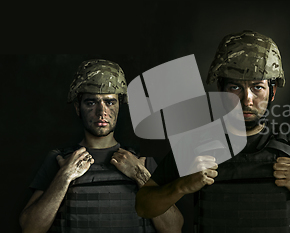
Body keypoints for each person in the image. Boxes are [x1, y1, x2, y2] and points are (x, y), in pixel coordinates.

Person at [135, 30, 290, 232]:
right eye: (235, 87)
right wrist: (181, 186)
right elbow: (143, 206)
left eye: (257, 87)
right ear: (221, 90)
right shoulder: (195, 142)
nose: (247, 100)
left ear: (272, 92)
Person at [19, 59, 183, 233]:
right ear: (77, 107)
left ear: (119, 106)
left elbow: (174, 228)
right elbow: (30, 228)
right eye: (91, 102)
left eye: (110, 102)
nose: (102, 111)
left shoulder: (141, 160)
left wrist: (140, 175)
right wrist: (64, 176)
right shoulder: (59, 160)